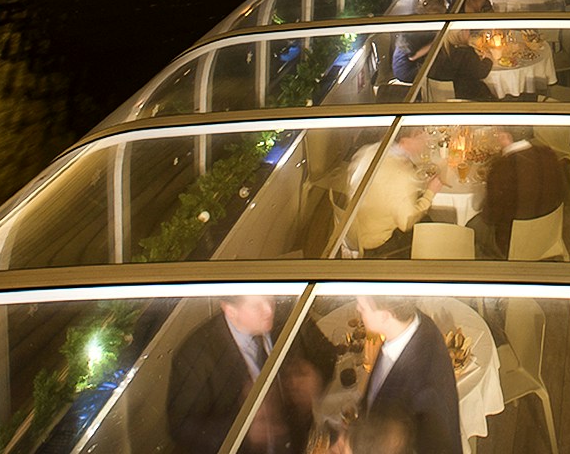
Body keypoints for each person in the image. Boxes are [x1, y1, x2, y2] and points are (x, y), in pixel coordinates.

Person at [167, 295, 336, 454]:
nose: (270, 309)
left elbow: (326, 352)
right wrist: (243, 430)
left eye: (269, 298)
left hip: (304, 443)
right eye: (256, 306)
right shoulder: (194, 355)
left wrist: (316, 377)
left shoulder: (289, 312)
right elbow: (181, 428)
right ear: (231, 311)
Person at [355, 297, 464, 454]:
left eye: (363, 307)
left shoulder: (426, 388)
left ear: (385, 316)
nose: (358, 308)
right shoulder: (417, 323)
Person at [467, 125, 565, 257]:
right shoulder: (549, 153)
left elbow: (490, 217)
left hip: (513, 243)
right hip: (548, 234)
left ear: (504, 136)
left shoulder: (500, 169)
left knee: (471, 226)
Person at [351, 130, 441, 256]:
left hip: (356, 228)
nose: (425, 142)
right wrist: (431, 191)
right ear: (405, 141)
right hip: (375, 242)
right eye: (420, 137)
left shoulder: (373, 150)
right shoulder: (400, 178)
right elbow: (406, 223)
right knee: (434, 229)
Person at [426, 29, 497, 101]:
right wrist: (488, 60)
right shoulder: (465, 53)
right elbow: (481, 73)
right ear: (460, 33)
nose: (469, 33)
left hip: (440, 99)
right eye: (467, 30)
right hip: (467, 98)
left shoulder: (439, 50)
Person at [391, 0, 447, 84]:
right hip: (406, 70)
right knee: (443, 70)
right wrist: (437, 41)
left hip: (411, 63)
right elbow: (413, 57)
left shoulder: (424, 23)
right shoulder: (417, 29)